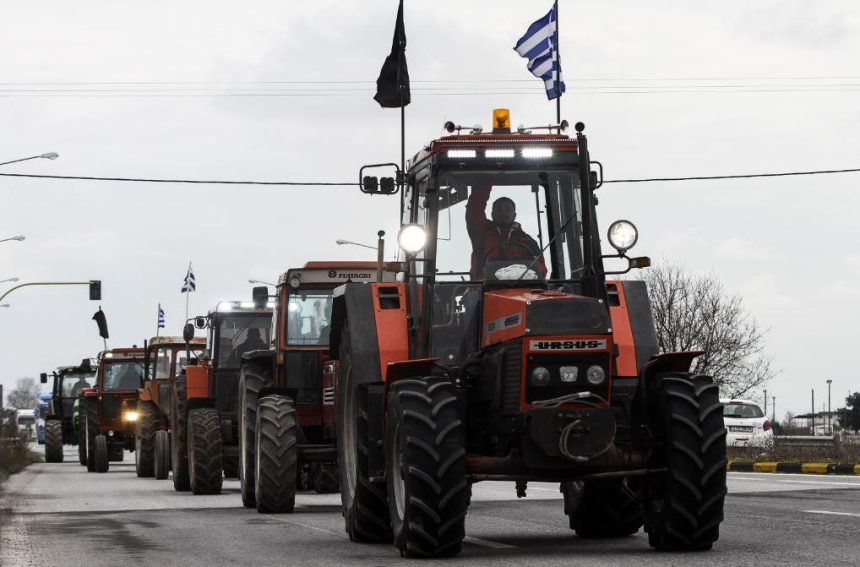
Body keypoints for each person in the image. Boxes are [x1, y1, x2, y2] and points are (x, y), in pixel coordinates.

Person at [465, 184, 547, 280]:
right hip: (483, 289)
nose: (503, 213)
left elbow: (540, 269)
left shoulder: (528, 241)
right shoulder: (482, 234)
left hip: (521, 290)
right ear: (492, 214)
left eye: (508, 210)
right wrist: (486, 178)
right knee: (471, 296)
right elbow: (474, 209)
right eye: (499, 209)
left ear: (514, 215)